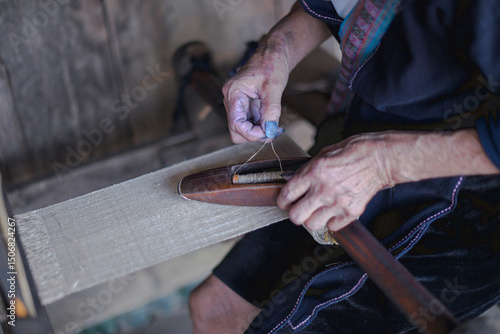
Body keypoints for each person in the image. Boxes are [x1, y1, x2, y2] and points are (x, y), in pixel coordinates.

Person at [189, 1, 500, 333]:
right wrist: (275, 53)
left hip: (467, 198)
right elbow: (328, 5)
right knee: (215, 309)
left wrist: (384, 162)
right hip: (359, 140)